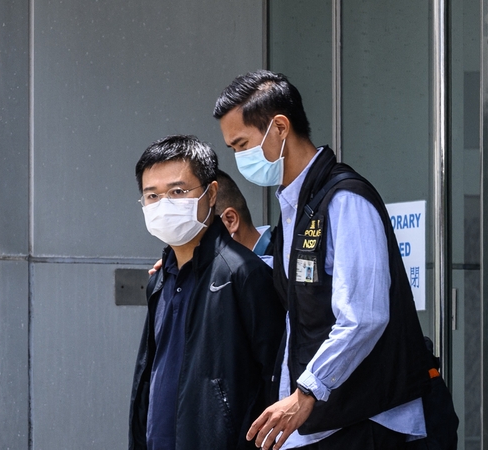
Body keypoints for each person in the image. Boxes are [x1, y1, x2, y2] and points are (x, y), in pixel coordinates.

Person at [213, 70, 432, 449]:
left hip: (375, 421)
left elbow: (364, 315)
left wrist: (306, 393)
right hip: (329, 420)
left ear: (279, 127)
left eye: (241, 144)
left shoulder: (345, 199)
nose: (238, 158)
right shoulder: (294, 208)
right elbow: (296, 303)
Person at [129, 134, 285, 450]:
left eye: (177, 191)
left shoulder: (244, 274)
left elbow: (273, 381)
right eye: (152, 196)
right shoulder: (159, 280)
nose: (164, 205)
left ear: (211, 194)